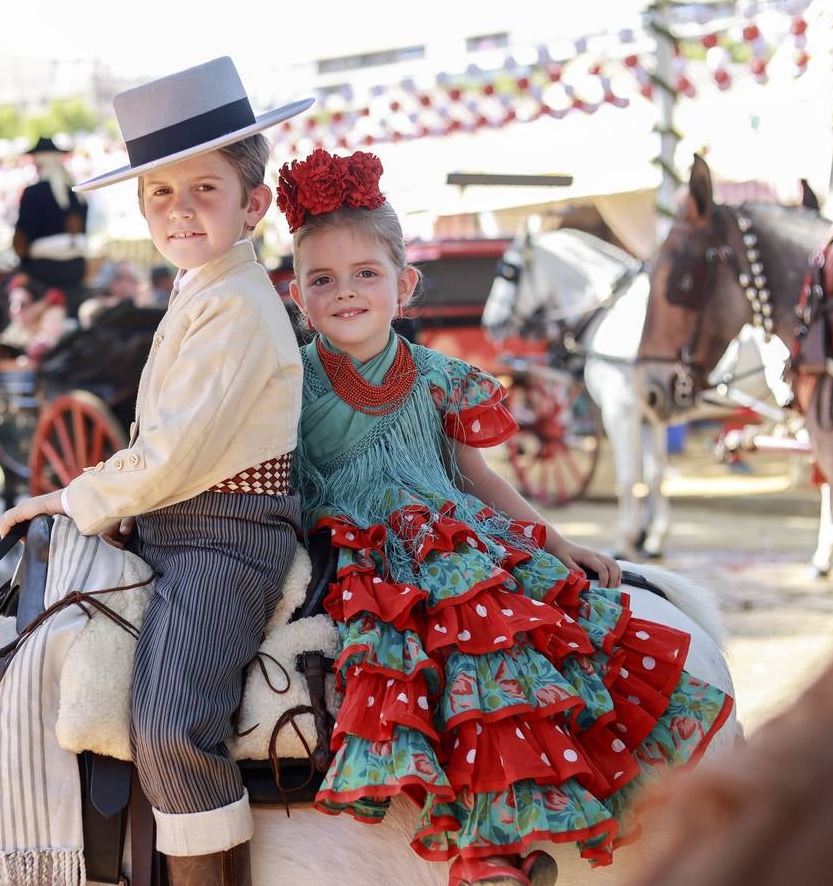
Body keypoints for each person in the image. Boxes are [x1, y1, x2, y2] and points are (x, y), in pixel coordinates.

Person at [278, 149, 735, 886]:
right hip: (357, 548)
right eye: (323, 280)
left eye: (367, 273)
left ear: (406, 282)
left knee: (505, 645)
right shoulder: (290, 379)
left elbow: (476, 474)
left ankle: (511, 838)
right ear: (298, 295)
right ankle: (449, 840)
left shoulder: (441, 378)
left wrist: (557, 540)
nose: (347, 293)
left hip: (452, 535)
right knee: (408, 665)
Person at [0, 57, 312, 884]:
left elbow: (175, 452)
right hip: (176, 519)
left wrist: (71, 496)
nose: (180, 210)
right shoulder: (198, 289)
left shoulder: (242, 307)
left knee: (171, 721)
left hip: (226, 537)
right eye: (160, 194)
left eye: (204, 189)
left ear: (255, 203)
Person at [12, 136, 88, 308]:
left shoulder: (33, 194)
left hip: (43, 272)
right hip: (76, 268)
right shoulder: (77, 194)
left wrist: (23, 266)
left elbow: (22, 239)